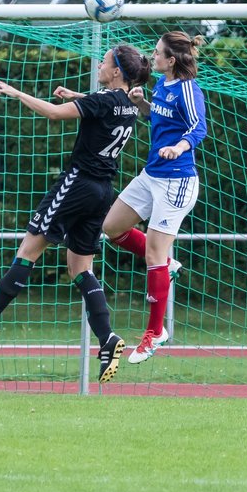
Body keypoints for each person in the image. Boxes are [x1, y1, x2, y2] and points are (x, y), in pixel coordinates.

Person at [0, 45, 152, 383]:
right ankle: (107, 338)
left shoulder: (105, 101)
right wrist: (77, 95)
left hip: (76, 185)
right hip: (103, 192)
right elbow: (102, 105)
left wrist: (16, 92)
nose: (100, 65)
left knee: (29, 249)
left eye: (105, 62)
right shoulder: (129, 106)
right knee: (80, 268)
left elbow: (53, 113)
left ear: (117, 72)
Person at [103, 31, 208, 365]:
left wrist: (178, 147)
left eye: (158, 53)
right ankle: (168, 264)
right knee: (112, 227)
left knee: (153, 254)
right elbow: (157, 117)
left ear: (171, 60)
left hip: (177, 182)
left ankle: (155, 333)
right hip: (152, 176)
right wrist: (141, 104)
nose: (153, 56)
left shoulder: (189, 89)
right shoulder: (161, 85)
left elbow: (198, 128)